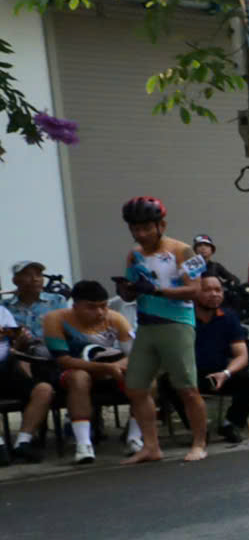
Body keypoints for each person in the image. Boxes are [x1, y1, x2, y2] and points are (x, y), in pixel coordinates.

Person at [117, 196, 209, 463]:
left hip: (176, 324)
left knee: (187, 388)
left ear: (161, 225)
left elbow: (195, 290)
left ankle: (199, 443)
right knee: (135, 387)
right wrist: (125, 290)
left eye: (146, 227)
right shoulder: (134, 255)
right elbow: (132, 294)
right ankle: (151, 446)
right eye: (135, 229)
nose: (140, 234)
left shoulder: (183, 251)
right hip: (146, 326)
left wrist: (157, 289)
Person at [41, 279, 133, 465]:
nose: (99, 312)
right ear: (75, 306)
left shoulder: (115, 318)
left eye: (103, 306)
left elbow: (134, 355)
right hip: (72, 372)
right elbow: (63, 360)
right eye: (91, 307)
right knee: (79, 377)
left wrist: (117, 366)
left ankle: (135, 438)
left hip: (111, 369)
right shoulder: (55, 319)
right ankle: (84, 444)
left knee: (145, 375)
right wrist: (106, 368)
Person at [192, 277, 249, 445]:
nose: (214, 294)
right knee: (169, 384)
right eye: (207, 290)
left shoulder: (228, 317)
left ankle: (231, 424)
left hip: (220, 374)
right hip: (191, 374)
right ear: (194, 292)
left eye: (218, 290)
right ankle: (198, 428)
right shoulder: (185, 318)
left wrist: (226, 373)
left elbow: (241, 355)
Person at [0, 280, 58, 459]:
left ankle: (23, 442)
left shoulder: (3, 312)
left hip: (8, 367)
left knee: (44, 390)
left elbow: (14, 346)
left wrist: (20, 341)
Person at [189, 235, 244, 306]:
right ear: (195, 250)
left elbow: (234, 279)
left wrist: (225, 285)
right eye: (199, 246)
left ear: (212, 250)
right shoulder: (191, 266)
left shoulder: (215, 266)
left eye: (206, 245)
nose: (203, 248)